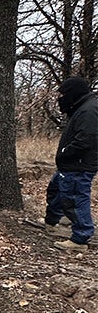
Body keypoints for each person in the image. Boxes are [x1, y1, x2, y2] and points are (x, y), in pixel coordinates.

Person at [43, 76, 98, 251]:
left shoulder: (89, 110)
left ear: (73, 93)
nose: (61, 98)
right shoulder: (81, 108)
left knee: (74, 198)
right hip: (70, 165)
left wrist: (66, 153)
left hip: (78, 165)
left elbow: (85, 140)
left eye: (63, 94)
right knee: (57, 191)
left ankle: (80, 238)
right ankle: (53, 222)